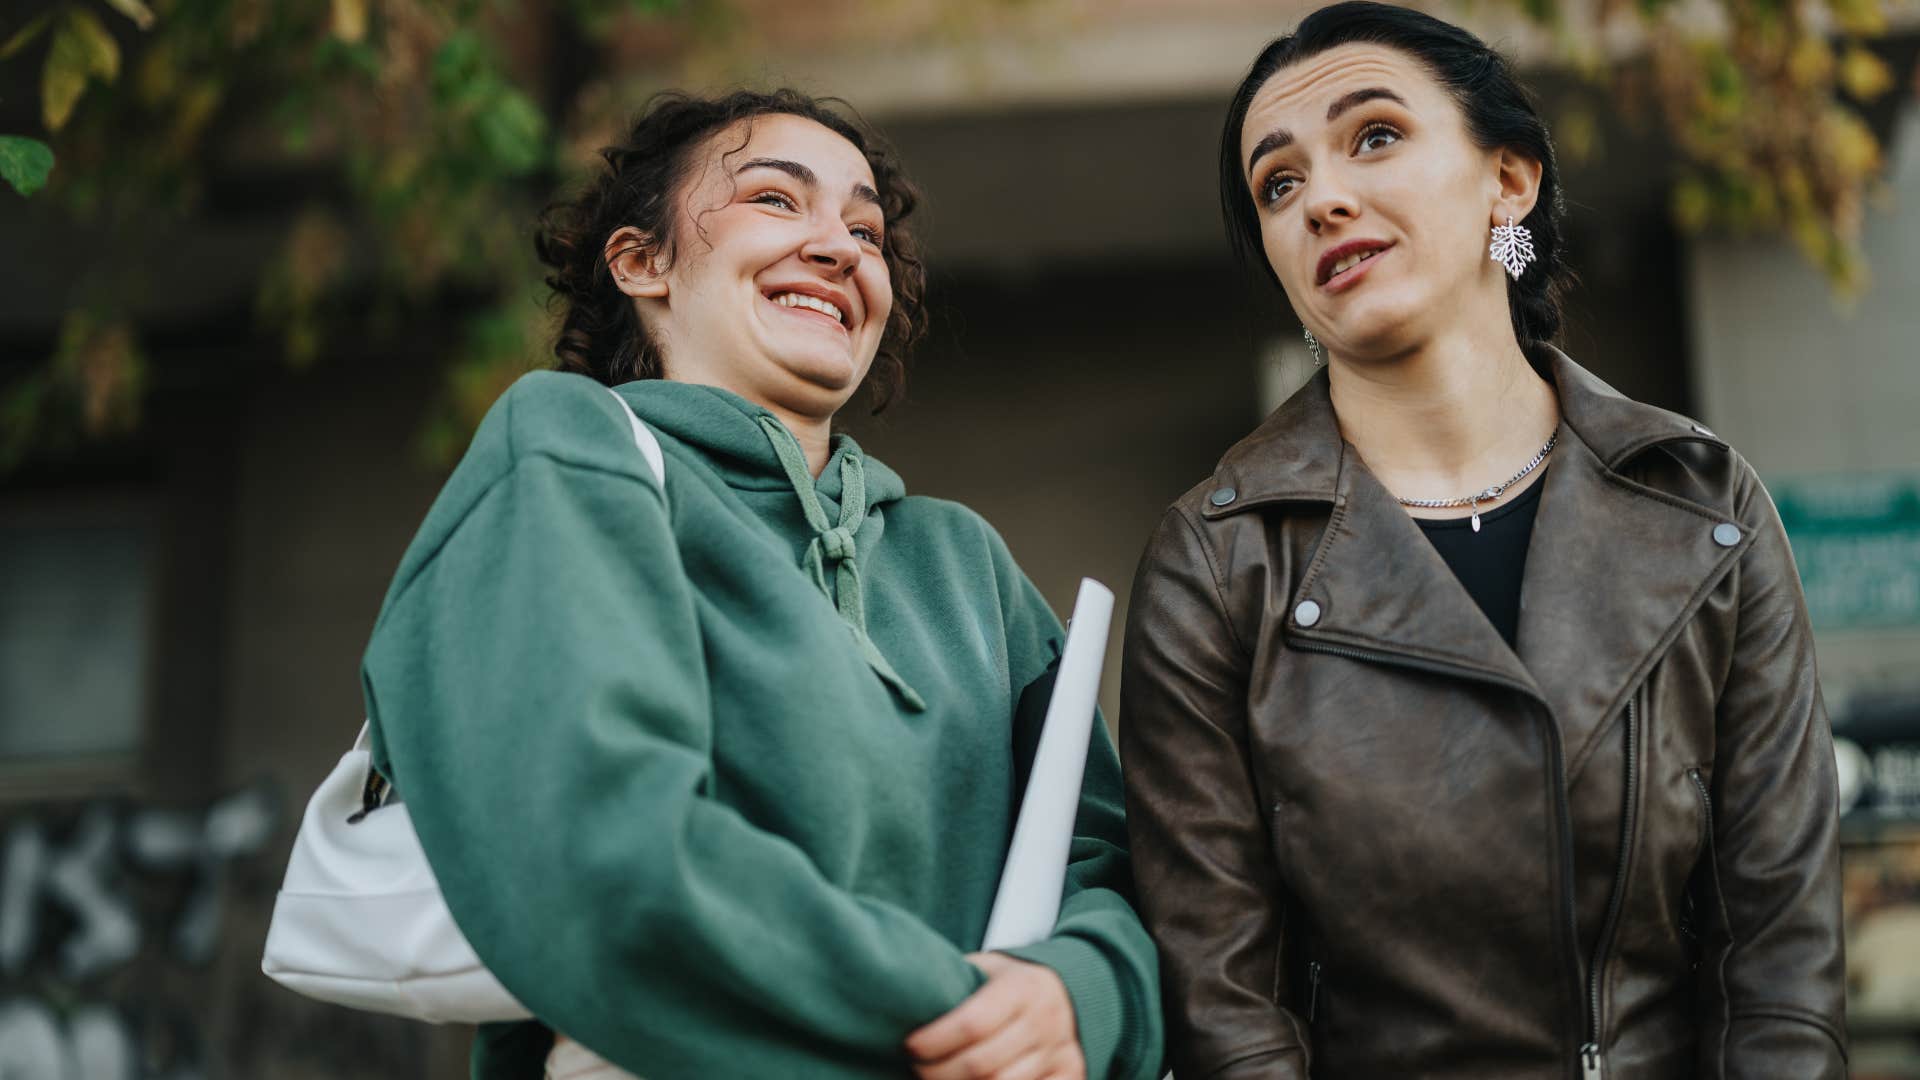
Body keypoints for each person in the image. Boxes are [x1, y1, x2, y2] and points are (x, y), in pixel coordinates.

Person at [359, 88, 1162, 1080]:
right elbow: (606, 849)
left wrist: (1079, 998)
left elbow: (1111, 864)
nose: (839, 248)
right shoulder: (567, 453)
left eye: (865, 231)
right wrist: (956, 1016)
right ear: (641, 261)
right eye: (777, 200)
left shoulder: (966, 564)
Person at [1118, 5, 1845, 1078]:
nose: (1322, 198)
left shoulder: (1702, 505)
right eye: (1278, 184)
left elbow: (1780, 969)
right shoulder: (1219, 564)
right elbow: (1226, 1010)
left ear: (1510, 179)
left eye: (1374, 136)